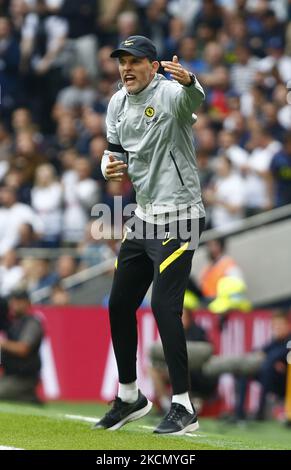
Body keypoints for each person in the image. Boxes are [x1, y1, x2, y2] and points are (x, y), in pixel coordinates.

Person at [95, 35, 205, 435]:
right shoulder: (117, 103)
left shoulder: (172, 94)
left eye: (135, 61)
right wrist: (108, 168)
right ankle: (129, 396)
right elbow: (114, 156)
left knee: (163, 306)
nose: (126, 68)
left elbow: (193, 100)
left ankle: (183, 406)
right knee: (120, 303)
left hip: (181, 216)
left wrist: (190, 80)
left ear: (154, 66)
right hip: (143, 218)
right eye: (122, 61)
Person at [149, 292, 215, 414]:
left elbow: (203, 358)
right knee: (153, 369)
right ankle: (165, 406)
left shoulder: (198, 333)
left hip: (197, 375)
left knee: (184, 367)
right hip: (178, 371)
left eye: (182, 314)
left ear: (189, 315)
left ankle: (186, 404)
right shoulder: (173, 332)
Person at [0, 289, 44, 403]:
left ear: (28, 303)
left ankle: (28, 396)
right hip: (8, 375)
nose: (15, 304)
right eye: (13, 300)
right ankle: (26, 397)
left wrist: (3, 344)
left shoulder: (32, 323)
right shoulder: (12, 324)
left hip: (24, 378)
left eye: (19, 301)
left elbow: (23, 349)